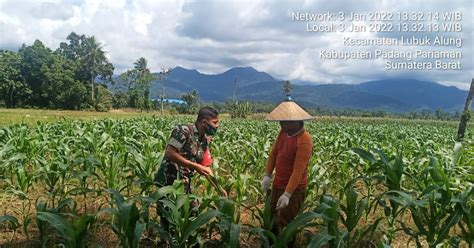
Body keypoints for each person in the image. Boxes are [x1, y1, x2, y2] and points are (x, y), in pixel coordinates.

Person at [154, 106, 219, 229]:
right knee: (169, 216)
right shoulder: (183, 131)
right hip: (170, 181)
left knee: (193, 213)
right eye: (215, 122)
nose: (217, 126)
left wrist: (219, 188)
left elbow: (206, 167)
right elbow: (170, 153)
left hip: (185, 182)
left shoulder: (204, 140)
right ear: (204, 122)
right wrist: (194, 166)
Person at [260, 98, 313, 247]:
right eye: (281, 121)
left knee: (287, 225)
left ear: (297, 121)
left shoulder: (304, 140)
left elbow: (298, 171)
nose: (282, 124)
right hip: (278, 184)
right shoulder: (283, 133)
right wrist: (267, 175)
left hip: (294, 189)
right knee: (271, 220)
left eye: (286, 121)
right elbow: (274, 154)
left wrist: (288, 194)